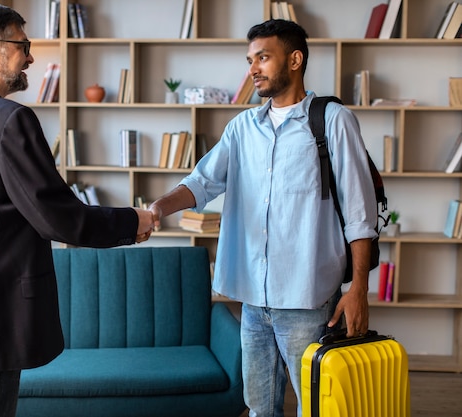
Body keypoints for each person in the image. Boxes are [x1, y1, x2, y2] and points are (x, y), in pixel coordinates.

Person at [0, 4, 154, 417]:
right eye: (22, 45)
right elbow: (59, 218)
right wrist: (134, 220)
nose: (31, 57)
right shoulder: (10, 119)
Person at [149, 19, 377, 417]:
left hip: (308, 300)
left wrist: (359, 290)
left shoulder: (333, 121)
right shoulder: (242, 128)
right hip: (253, 302)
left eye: (263, 57)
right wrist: (157, 209)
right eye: (250, 59)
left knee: (318, 408)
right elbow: (202, 182)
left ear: (294, 59)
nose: (253, 68)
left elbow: (360, 214)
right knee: (258, 409)